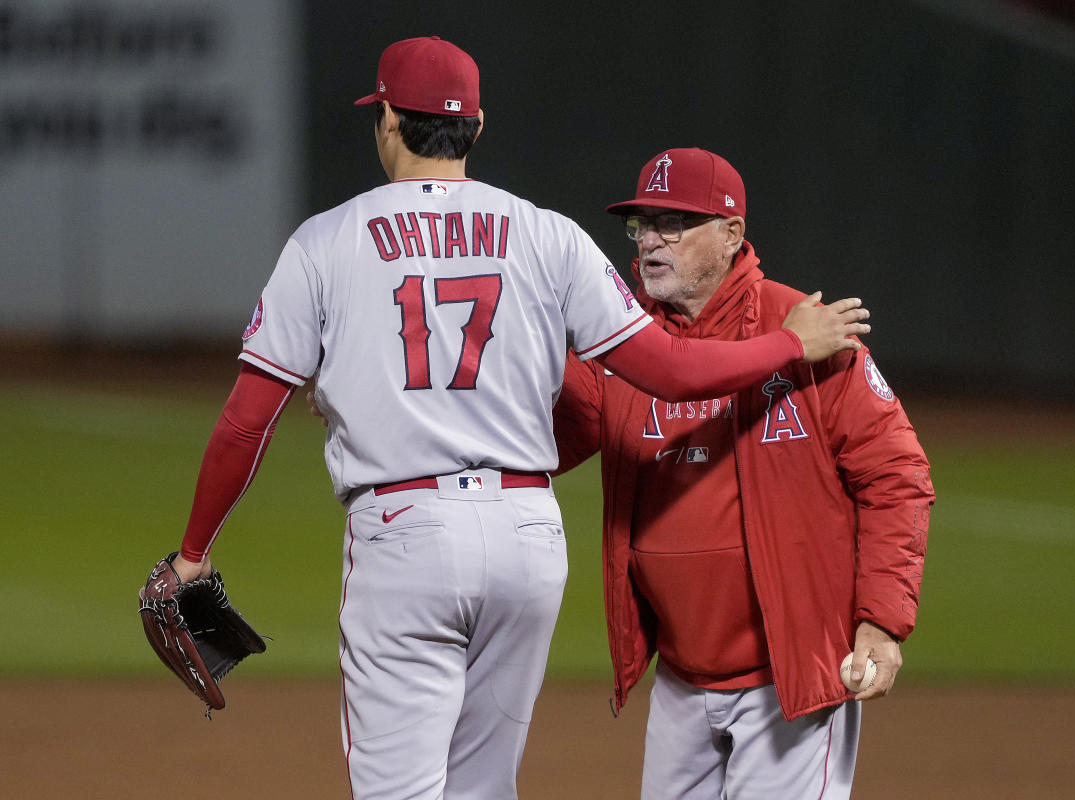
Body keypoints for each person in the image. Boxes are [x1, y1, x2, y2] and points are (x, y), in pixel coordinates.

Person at [146, 38, 872, 800]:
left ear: (388, 119)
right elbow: (672, 371)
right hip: (527, 533)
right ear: (478, 126)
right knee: (484, 787)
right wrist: (789, 342)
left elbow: (245, 425)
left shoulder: (325, 241)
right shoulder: (547, 234)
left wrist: (193, 553)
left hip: (405, 535)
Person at [552, 147, 935, 799]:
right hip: (680, 678)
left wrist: (881, 621)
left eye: (673, 224)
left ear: (732, 235)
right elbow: (552, 440)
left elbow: (896, 475)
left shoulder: (810, 334)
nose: (650, 241)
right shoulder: (621, 344)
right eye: (642, 224)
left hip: (786, 679)